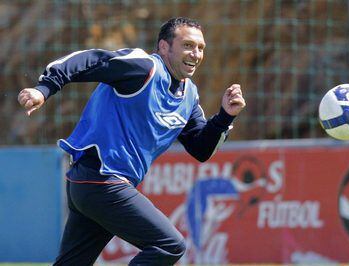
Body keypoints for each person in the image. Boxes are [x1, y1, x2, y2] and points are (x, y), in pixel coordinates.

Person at [18, 17, 246, 265]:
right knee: (169, 245)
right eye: (188, 45)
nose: (196, 53)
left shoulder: (188, 95)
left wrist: (225, 116)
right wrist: (44, 88)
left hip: (91, 185)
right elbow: (91, 60)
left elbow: (201, 149)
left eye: (201, 47)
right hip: (101, 179)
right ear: (164, 47)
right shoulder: (144, 67)